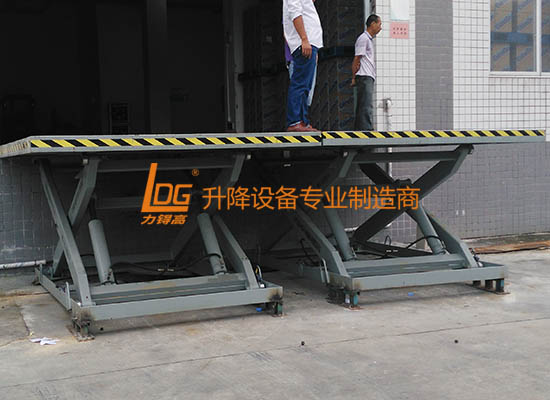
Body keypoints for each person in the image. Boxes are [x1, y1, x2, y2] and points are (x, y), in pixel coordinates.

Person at [283, 0, 323, 132]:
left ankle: (303, 121)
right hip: (305, 43)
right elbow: (295, 13)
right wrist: (304, 39)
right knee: (300, 84)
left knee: (305, 86)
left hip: (309, 43)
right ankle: (295, 121)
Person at [351, 14, 382, 131]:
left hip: (367, 76)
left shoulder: (368, 39)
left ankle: (360, 130)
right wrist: (353, 77)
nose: (380, 28)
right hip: (364, 76)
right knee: (366, 105)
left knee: (363, 104)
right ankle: (367, 130)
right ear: (372, 24)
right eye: (379, 24)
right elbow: (356, 58)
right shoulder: (363, 39)